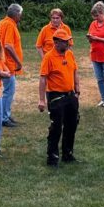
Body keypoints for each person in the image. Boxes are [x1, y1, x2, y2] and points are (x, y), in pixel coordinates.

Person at [38, 28, 80, 167]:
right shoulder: (48, 57)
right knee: (56, 128)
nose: (68, 43)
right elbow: (43, 79)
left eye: (68, 41)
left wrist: (77, 90)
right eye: (65, 41)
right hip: (56, 97)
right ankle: (52, 158)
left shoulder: (70, 54)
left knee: (71, 125)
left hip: (70, 95)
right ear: (56, 42)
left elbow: (75, 71)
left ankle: (68, 154)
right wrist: (41, 100)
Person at [0, 3, 23, 127]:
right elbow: (8, 45)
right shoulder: (10, 25)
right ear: (16, 14)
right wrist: (18, 62)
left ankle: (5, 113)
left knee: (8, 91)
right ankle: (4, 117)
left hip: (4, 62)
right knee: (9, 91)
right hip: (9, 65)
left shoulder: (3, 22)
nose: (21, 17)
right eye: (20, 14)